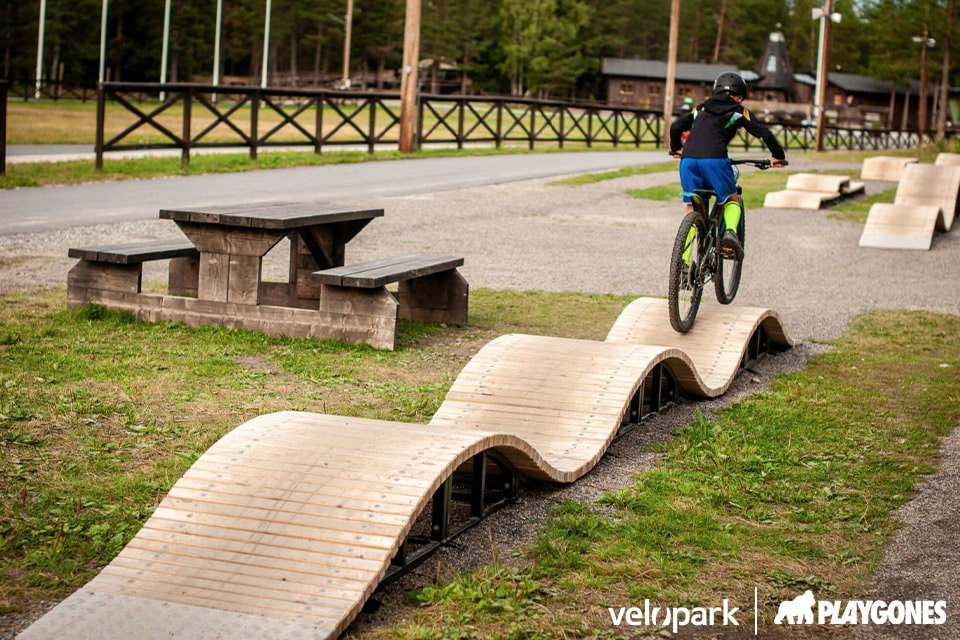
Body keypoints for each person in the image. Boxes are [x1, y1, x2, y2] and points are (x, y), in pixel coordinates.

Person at [669, 72, 787, 260]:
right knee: (732, 198)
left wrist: (677, 148)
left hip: (688, 161)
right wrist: (778, 156)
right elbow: (763, 133)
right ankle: (730, 233)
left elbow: (676, 127)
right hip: (715, 160)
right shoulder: (738, 110)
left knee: (692, 206)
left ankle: (683, 263)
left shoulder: (700, 108)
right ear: (739, 96)